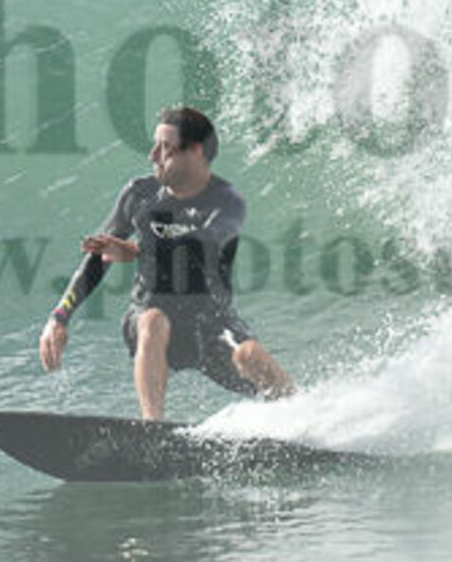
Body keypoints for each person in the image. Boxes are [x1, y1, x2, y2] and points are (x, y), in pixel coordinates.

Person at [38, 105, 296, 420]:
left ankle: (303, 418)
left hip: (210, 320)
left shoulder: (227, 201)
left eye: (165, 148)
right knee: (153, 320)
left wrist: (137, 251)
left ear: (195, 151)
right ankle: (153, 428)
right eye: (155, 146)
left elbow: (202, 245)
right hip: (150, 315)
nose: (153, 155)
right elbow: (98, 256)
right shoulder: (139, 194)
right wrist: (60, 316)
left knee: (250, 354)